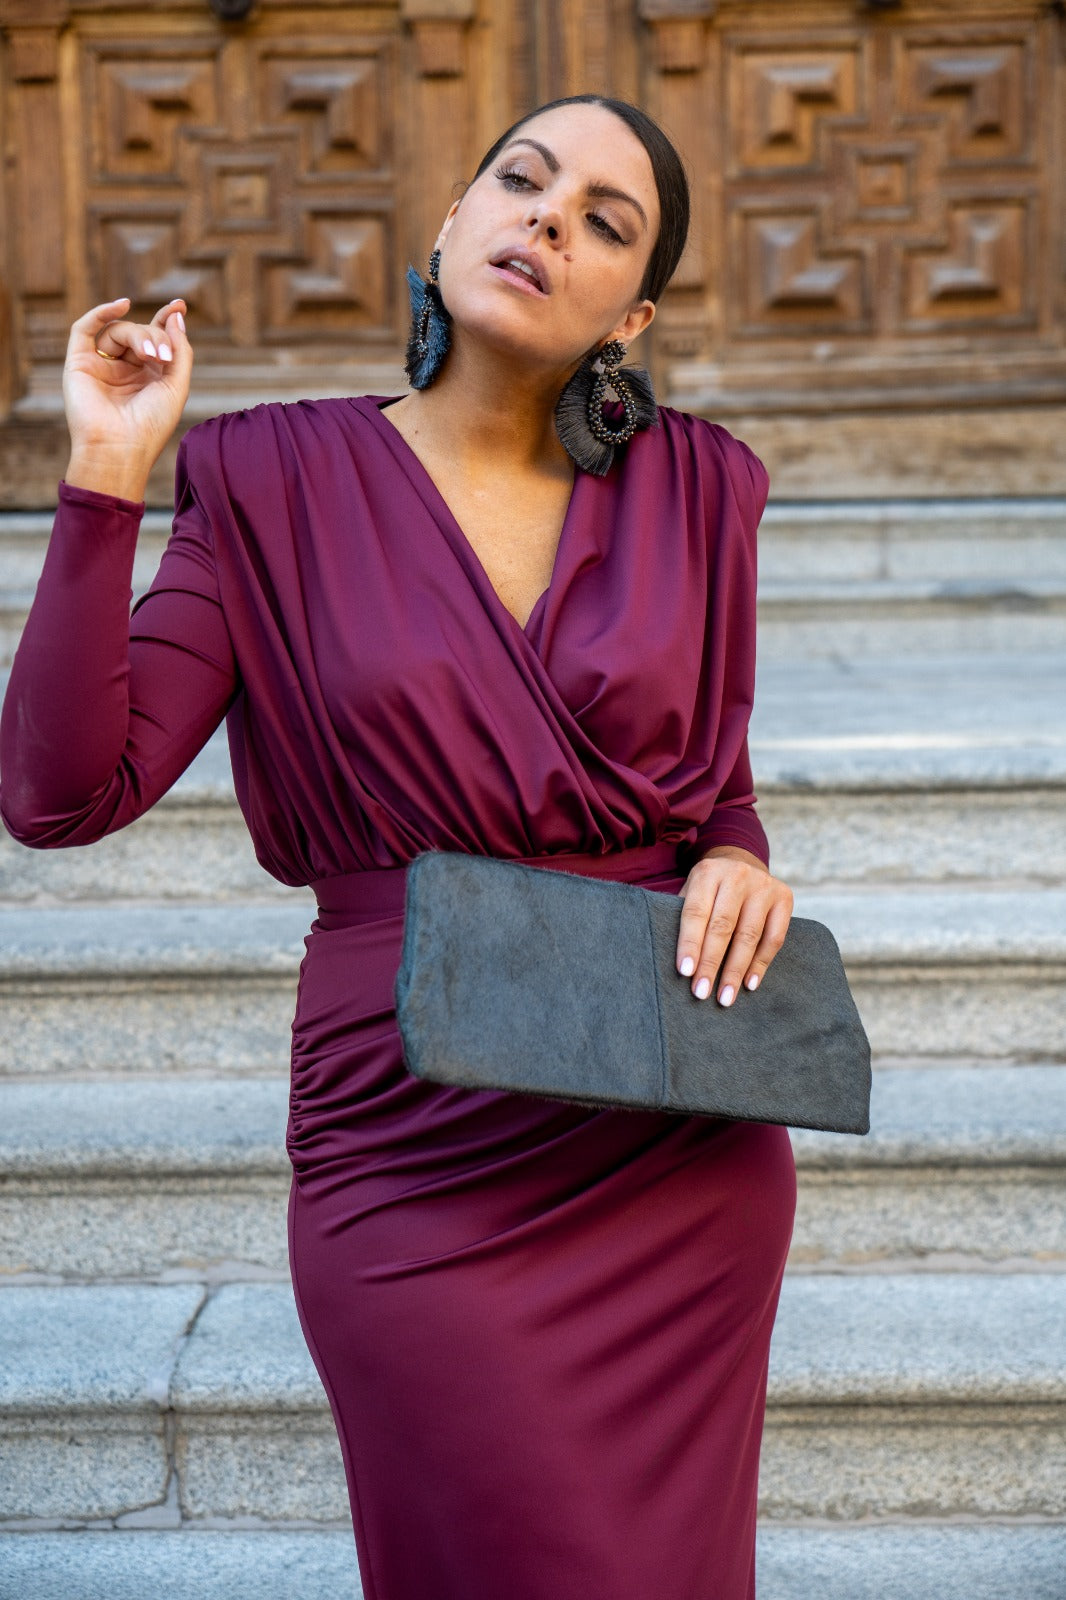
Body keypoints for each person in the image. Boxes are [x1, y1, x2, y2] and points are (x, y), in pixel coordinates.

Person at [1, 96, 796, 1600]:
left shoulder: (699, 488)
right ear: (448, 225)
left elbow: (713, 784)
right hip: (415, 1142)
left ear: (629, 315)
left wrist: (739, 858)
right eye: (522, 180)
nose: (547, 218)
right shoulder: (271, 483)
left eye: (605, 222)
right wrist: (105, 472)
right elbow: (60, 793)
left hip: (673, 1140)